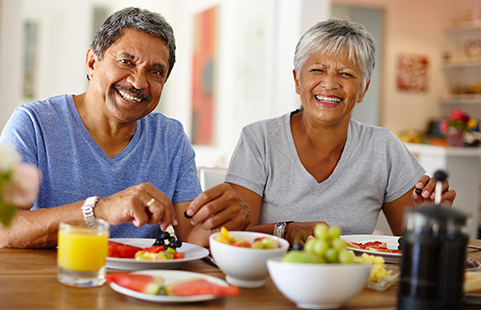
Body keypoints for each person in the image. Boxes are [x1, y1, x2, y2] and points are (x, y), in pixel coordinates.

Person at [0, 7, 249, 248]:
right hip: (53, 284)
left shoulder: (170, 137)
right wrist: (99, 209)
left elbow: (192, 239)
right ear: (92, 63)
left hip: (140, 292)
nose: (139, 83)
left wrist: (226, 221)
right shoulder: (33, 124)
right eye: (126, 61)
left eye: (155, 71)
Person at [186, 18, 456, 245]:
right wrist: (286, 230)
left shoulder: (383, 146)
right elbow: (232, 236)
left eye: (346, 74)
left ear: (363, 89)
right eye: (317, 70)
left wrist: (427, 218)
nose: (330, 83)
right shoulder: (259, 140)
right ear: (297, 80)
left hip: (357, 284)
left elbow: (412, 243)